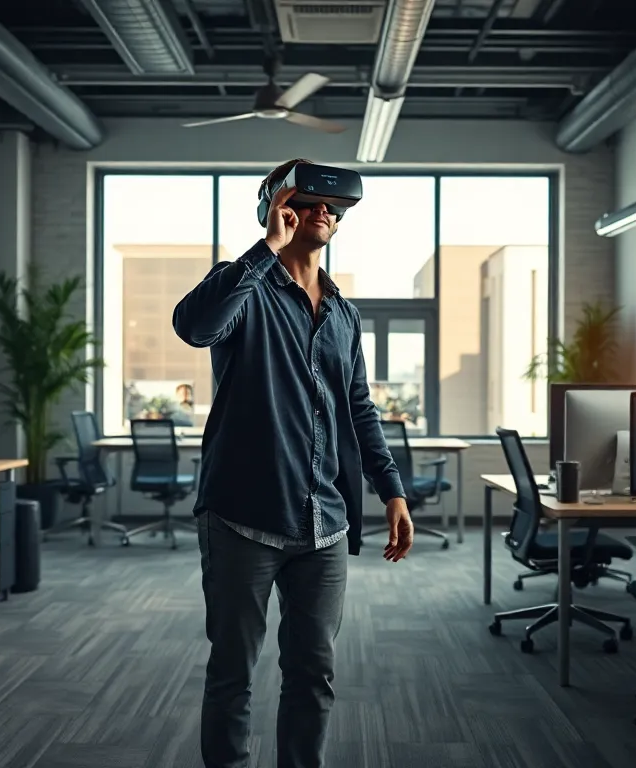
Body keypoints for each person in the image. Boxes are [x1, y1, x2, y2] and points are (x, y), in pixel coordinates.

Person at [173, 159, 414, 768]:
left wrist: (392, 491)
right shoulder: (242, 288)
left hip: (324, 523)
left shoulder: (343, 314)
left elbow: (358, 408)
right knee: (233, 673)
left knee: (313, 674)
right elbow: (193, 327)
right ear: (276, 210)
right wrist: (264, 250)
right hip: (241, 518)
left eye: (331, 208)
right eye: (307, 204)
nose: (323, 213)